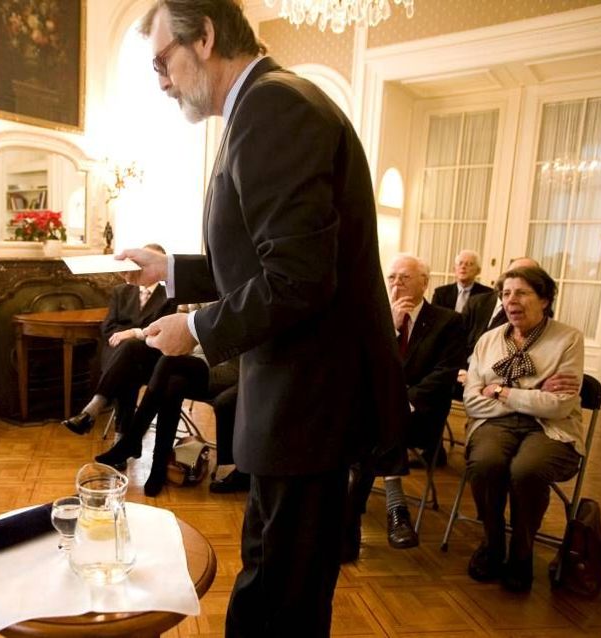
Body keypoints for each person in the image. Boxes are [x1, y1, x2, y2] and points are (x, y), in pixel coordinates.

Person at [120, 2, 408, 634]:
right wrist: (170, 271)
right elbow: (262, 256)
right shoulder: (263, 105)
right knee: (273, 580)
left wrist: (195, 329)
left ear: (207, 38)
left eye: (163, 61)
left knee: (281, 601)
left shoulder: (277, 108)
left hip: (309, 403)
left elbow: (298, 279)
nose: (160, 80)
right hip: (293, 400)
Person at [463, 265, 584, 592]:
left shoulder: (568, 339)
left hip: (550, 429)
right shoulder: (488, 340)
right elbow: (472, 401)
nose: (511, 300)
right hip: (495, 424)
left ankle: (522, 552)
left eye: (522, 293)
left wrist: (501, 391)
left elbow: (559, 406)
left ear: (544, 299)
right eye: (505, 294)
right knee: (487, 463)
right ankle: (492, 543)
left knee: (526, 469)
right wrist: (535, 393)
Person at [347, 255, 465, 556]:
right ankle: (395, 512)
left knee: (376, 426)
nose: (396, 283)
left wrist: (402, 403)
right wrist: (393, 329)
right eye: (392, 277)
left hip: (420, 416)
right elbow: (364, 370)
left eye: (405, 277)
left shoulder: (447, 322)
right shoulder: (377, 319)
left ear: (425, 283)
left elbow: (445, 374)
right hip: (377, 417)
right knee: (376, 424)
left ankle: (347, 522)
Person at [61, 243, 178, 435]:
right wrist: (124, 336)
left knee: (130, 353)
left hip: (150, 357)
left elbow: (162, 331)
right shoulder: (120, 291)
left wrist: (132, 332)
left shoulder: (169, 296)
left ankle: (93, 409)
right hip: (119, 355)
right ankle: (121, 440)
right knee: (127, 363)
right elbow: (107, 327)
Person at [95, 353, 239, 496]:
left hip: (224, 368)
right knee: (174, 384)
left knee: (169, 360)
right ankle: (159, 466)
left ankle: (132, 440)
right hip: (195, 364)